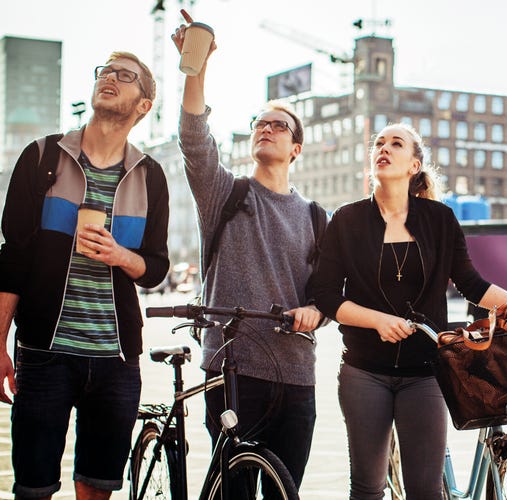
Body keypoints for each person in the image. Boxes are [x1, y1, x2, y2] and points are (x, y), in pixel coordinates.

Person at [308, 123, 507, 500]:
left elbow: (472, 284)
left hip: (425, 373)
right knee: (368, 489)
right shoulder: (347, 220)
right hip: (363, 373)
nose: (383, 148)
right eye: (378, 144)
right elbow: (326, 295)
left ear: (414, 165)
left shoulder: (440, 219)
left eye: (395, 144)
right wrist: (377, 321)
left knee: (426, 490)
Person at [0, 52, 169, 499]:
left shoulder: (150, 176)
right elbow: (12, 258)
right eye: (106, 71)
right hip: (43, 354)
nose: (110, 78)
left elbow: (155, 267)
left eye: (125, 75)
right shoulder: (41, 158)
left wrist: (121, 256)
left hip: (116, 360)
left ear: (144, 104)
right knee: (33, 489)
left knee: (97, 488)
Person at [172, 24, 324, 490]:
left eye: (280, 125)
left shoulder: (318, 217)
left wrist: (316, 312)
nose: (268, 128)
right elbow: (195, 140)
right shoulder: (226, 193)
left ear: (296, 148)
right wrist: (196, 67)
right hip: (232, 369)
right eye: (261, 122)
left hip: (297, 376)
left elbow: (329, 295)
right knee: (232, 490)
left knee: (286, 489)